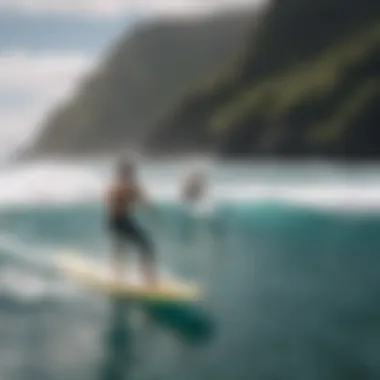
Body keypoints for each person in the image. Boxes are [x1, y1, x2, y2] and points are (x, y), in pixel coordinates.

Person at [106, 159, 157, 286]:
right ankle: (116, 274)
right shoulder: (116, 186)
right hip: (115, 222)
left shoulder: (133, 186)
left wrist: (151, 208)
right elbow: (111, 200)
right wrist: (125, 193)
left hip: (126, 220)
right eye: (128, 172)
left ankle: (147, 276)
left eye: (131, 172)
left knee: (145, 244)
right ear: (122, 173)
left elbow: (144, 200)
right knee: (123, 246)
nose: (131, 175)